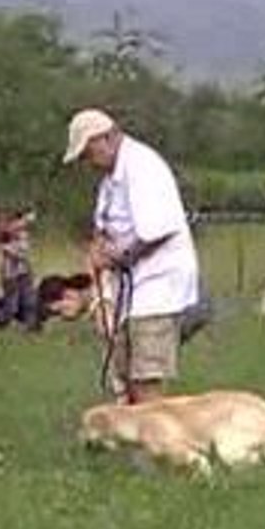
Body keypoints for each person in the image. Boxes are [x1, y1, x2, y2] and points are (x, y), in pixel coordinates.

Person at [63, 109, 200, 404]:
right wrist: (100, 296)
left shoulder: (143, 167)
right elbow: (103, 231)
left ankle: (158, 443)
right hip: (129, 290)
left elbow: (158, 230)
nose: (88, 162)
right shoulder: (111, 180)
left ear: (107, 138)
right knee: (123, 372)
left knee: (146, 376)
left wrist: (120, 258)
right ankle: (134, 440)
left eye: (88, 153)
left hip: (158, 287)